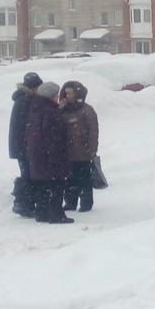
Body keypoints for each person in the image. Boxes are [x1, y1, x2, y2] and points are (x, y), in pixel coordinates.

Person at [24, 81, 72, 223]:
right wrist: (58, 156)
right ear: (51, 96)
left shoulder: (35, 109)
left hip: (36, 155)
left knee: (42, 186)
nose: (58, 97)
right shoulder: (51, 113)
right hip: (50, 156)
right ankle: (56, 215)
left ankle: (42, 212)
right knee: (56, 186)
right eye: (56, 94)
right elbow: (54, 138)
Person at [59, 80, 99, 213]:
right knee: (69, 179)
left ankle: (86, 203)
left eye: (70, 93)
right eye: (66, 93)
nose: (67, 96)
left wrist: (92, 150)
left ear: (77, 94)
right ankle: (70, 202)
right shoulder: (63, 109)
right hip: (67, 151)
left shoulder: (87, 110)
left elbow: (93, 132)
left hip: (83, 152)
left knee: (84, 179)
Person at [9, 72, 42, 217]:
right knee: (28, 175)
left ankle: (25, 203)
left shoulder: (23, 99)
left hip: (21, 145)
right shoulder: (25, 102)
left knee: (27, 173)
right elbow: (27, 126)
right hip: (24, 146)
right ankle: (22, 203)